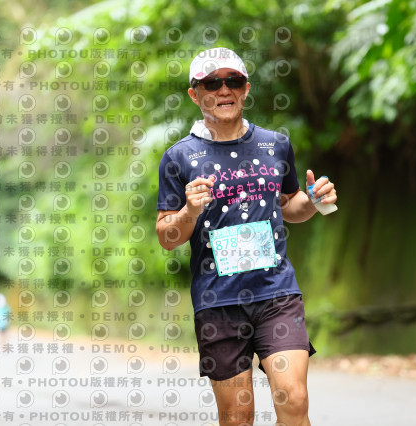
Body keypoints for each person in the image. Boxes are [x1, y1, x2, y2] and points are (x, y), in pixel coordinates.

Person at [156, 47, 338, 426]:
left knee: (294, 399)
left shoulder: (275, 145)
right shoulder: (179, 157)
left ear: (246, 88)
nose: (224, 90)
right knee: (238, 417)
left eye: (233, 81)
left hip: (276, 293)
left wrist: (314, 201)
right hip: (217, 302)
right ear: (195, 94)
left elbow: (290, 205)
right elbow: (167, 236)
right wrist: (189, 211)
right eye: (211, 83)